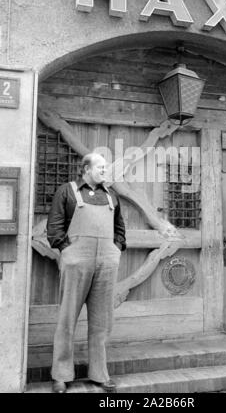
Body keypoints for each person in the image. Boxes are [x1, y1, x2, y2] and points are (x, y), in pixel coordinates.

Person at [47, 152, 126, 393]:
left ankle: (99, 374)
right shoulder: (67, 191)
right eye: (101, 167)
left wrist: (116, 248)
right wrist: (66, 250)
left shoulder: (111, 194)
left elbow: (120, 228)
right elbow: (54, 227)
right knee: (67, 317)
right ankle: (61, 375)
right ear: (86, 169)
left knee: (102, 321)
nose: (104, 171)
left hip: (106, 262)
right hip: (76, 259)